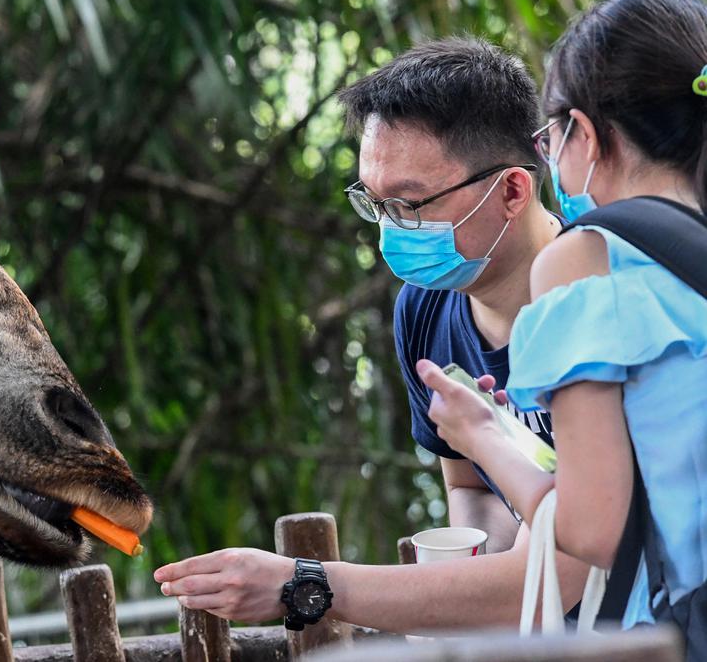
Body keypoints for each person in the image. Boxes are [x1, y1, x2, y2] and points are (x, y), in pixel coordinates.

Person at [154, 37, 591, 632]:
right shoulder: (424, 312)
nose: (391, 231)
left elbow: (567, 563)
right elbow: (474, 486)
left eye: (410, 205)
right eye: (375, 204)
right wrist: (459, 576)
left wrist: (304, 583)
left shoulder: (596, 297)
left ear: (513, 190)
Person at [419, 0, 707, 653]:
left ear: (582, 131)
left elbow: (589, 530)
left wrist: (482, 435)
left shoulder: (583, 258)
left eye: (548, 138)